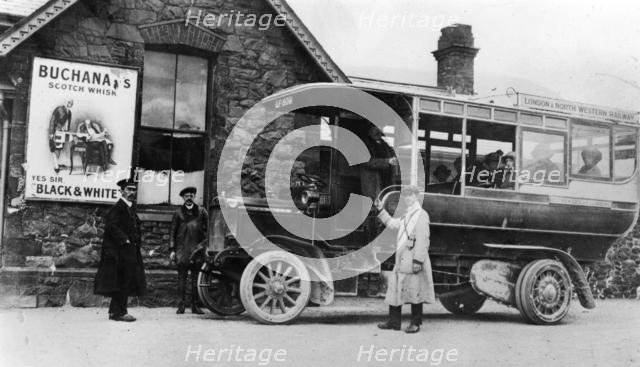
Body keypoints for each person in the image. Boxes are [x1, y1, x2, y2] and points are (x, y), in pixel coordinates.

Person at [375, 185, 435, 333]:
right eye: (406, 196)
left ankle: (415, 323)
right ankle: (394, 322)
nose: (408, 198)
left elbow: (423, 239)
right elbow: (394, 224)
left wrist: (418, 261)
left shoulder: (421, 215)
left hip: (413, 257)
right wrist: (381, 210)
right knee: (395, 288)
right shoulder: (407, 214)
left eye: (411, 196)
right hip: (402, 258)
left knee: (415, 289)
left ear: (417, 197)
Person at [94, 178, 147, 322]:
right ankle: (120, 312)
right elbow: (111, 227)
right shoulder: (118, 208)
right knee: (122, 281)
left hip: (129, 251)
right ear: (121, 191)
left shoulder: (129, 208)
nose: (131, 192)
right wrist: (125, 240)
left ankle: (114, 311)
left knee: (124, 280)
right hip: (120, 252)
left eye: (133, 190)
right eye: (128, 190)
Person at [170, 186, 208, 314]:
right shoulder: (178, 213)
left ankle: (195, 306)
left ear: (194, 197)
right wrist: (172, 250)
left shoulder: (202, 212)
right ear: (183, 198)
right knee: (182, 279)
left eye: (191, 196)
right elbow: (172, 232)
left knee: (196, 279)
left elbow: (209, 231)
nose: (189, 198)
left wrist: (204, 245)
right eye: (186, 196)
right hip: (182, 250)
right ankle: (181, 305)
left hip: (197, 250)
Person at [360, 126, 398, 201]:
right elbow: (366, 161)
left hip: (386, 180)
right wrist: (387, 161)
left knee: (386, 203)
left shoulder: (385, 144)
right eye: (374, 128)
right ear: (370, 131)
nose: (377, 131)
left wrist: (393, 160)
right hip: (372, 181)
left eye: (378, 128)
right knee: (374, 205)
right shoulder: (364, 144)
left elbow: (392, 156)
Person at [48, 99, 73, 173]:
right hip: (57, 131)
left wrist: (67, 131)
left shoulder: (69, 112)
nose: (70, 104)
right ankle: (56, 167)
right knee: (56, 148)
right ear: (65, 102)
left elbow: (68, 123)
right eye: (69, 102)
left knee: (59, 148)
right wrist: (51, 133)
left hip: (63, 133)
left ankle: (57, 165)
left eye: (71, 103)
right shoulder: (59, 109)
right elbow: (52, 121)